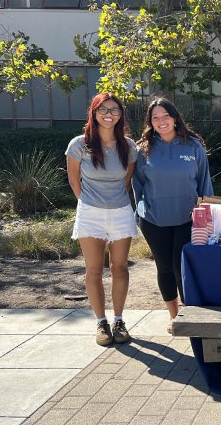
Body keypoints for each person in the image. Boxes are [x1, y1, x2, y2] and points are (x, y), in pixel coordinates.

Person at [133, 98, 214, 333]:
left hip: (188, 220)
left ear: (175, 118)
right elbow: (137, 186)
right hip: (154, 220)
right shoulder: (142, 149)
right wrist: (139, 213)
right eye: (155, 118)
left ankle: (191, 313)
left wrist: (206, 215)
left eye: (165, 116)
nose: (161, 122)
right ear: (150, 122)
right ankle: (174, 316)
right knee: (165, 267)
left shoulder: (193, 146)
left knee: (184, 268)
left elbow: (204, 182)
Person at [66, 93, 137, 346]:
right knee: (94, 269)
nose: (109, 114)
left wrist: (113, 201)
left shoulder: (128, 145)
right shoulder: (79, 144)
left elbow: (127, 179)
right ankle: (101, 323)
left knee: (120, 267)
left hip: (120, 212)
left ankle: (119, 321)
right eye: (103, 109)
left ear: (121, 114)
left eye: (115, 110)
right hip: (90, 214)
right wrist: (86, 203)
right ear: (94, 112)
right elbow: (74, 180)